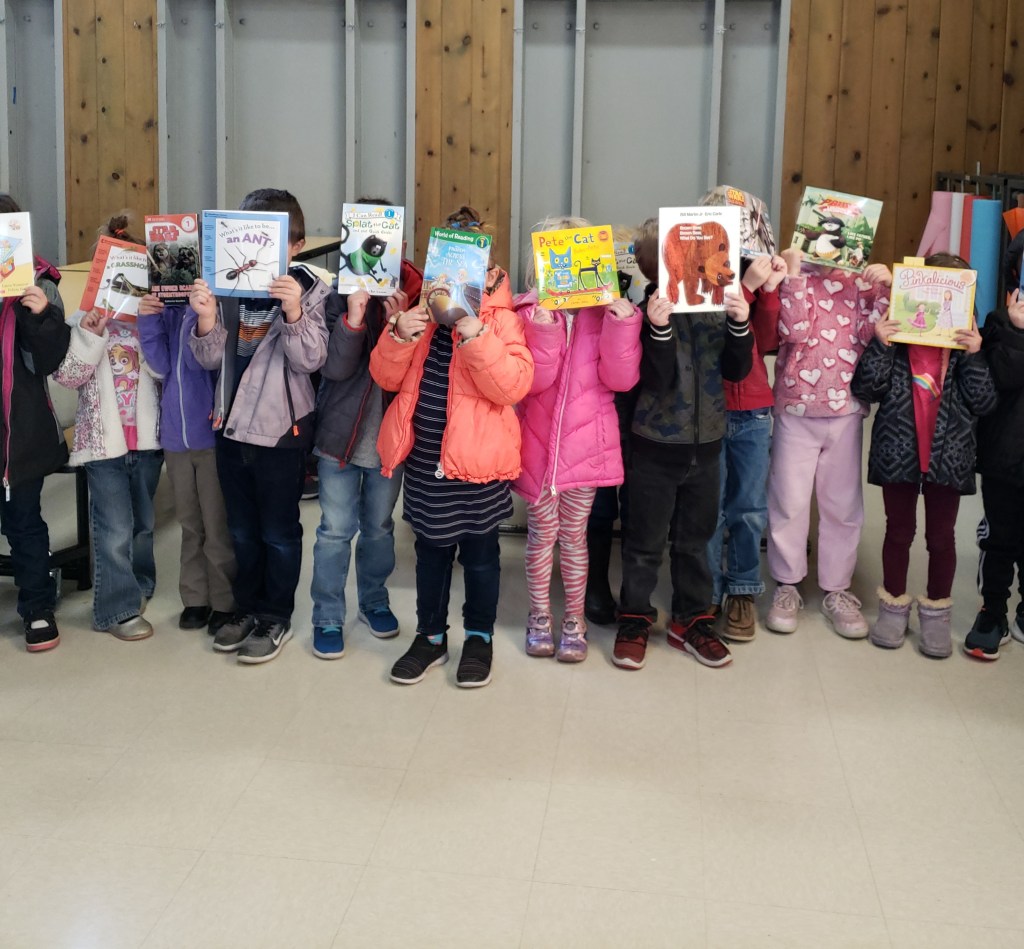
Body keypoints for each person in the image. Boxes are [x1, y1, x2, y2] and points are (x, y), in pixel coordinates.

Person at [370, 206, 533, 688]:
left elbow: (513, 387)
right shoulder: (419, 313)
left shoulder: (501, 318)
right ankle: (431, 637)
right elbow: (386, 377)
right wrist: (400, 333)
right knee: (431, 553)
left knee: (482, 556)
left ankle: (478, 637)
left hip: (480, 466)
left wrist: (477, 333)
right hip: (425, 463)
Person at [189, 188, 329, 664]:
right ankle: (245, 608)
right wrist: (206, 320)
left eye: (275, 241)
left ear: (295, 244)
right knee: (242, 531)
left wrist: (293, 311)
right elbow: (209, 359)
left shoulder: (310, 288)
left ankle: (276, 615)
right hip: (229, 428)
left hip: (280, 432)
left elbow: (311, 357)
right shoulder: (226, 287)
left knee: (278, 532)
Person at [614, 216, 754, 671]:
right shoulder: (642, 313)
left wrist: (740, 323)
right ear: (657, 269)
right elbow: (655, 380)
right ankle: (634, 619)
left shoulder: (716, 307)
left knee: (695, 541)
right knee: (644, 543)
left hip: (708, 445)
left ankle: (692, 620)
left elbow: (735, 371)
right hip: (655, 448)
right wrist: (658, 331)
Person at [852, 253, 995, 658]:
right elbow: (866, 388)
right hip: (899, 451)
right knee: (897, 532)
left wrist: (974, 354)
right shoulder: (897, 341)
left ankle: (936, 613)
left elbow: (984, 403)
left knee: (941, 537)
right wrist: (880, 344)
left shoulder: (966, 346)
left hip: (949, 456)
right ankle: (893, 606)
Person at [514, 216, 642, 663]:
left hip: (586, 448)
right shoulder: (526, 312)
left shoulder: (601, 312)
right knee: (539, 536)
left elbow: (621, 379)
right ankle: (539, 617)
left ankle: (574, 620)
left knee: (574, 537)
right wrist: (544, 327)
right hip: (539, 445)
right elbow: (533, 381)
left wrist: (623, 323)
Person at [309, 223, 423, 659]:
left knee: (378, 528)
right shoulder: (335, 293)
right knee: (334, 531)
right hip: (339, 437)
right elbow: (334, 370)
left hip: (388, 441)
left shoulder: (418, 292)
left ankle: (374, 600)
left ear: (401, 246)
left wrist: (403, 321)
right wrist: (354, 319)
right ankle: (327, 615)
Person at [765, 250, 892, 638]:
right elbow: (793, 329)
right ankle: (787, 583)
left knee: (842, 504)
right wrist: (794, 273)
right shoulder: (794, 272)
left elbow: (885, 330)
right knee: (788, 500)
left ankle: (837, 588)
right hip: (796, 406)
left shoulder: (865, 282)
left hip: (846, 408)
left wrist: (890, 284)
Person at [53, 213, 163, 641]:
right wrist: (90, 335)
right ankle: (116, 609)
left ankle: (139, 585)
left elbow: (162, 371)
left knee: (143, 523)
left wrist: (153, 325)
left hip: (148, 440)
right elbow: (69, 376)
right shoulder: (83, 320)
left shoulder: (148, 321)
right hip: (102, 445)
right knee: (114, 526)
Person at [702, 187, 786, 643]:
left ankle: (743, 589)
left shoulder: (758, 267)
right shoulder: (695, 271)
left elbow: (768, 339)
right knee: (709, 507)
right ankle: (708, 589)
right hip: (709, 405)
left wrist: (768, 287)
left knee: (749, 508)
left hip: (753, 405)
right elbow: (708, 331)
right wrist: (747, 286)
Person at [137, 293, 236, 635]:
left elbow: (206, 362)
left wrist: (200, 314)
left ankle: (224, 600)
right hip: (175, 438)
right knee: (190, 522)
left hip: (210, 434)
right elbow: (161, 366)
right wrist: (149, 319)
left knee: (216, 522)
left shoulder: (213, 303)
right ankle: (195, 597)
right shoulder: (168, 309)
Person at [0, 194, 71, 651]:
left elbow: (49, 361)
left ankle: (38, 605)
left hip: (18, 428)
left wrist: (38, 314)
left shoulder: (41, 283)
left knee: (23, 519)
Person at [964, 232, 1024, 659]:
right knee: (1000, 536)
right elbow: (1001, 380)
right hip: (1006, 456)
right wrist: (1018, 331)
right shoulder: (1000, 324)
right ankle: (994, 609)